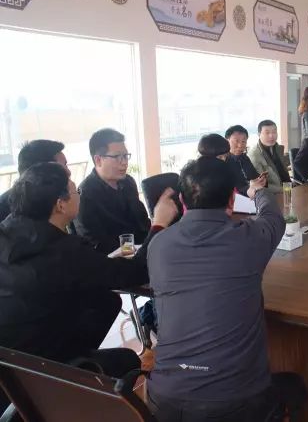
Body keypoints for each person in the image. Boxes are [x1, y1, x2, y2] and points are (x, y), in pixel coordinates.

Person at [146, 156, 306, 422]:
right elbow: (273, 216)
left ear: (182, 202)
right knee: (295, 386)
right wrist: (258, 192)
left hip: (164, 401)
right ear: (232, 200)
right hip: (236, 404)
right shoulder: (249, 238)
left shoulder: (158, 245)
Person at [0, 162, 177, 377]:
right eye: (76, 191)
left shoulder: (7, 231)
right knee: (128, 359)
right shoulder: (63, 251)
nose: (79, 196)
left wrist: (100, 265)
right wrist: (159, 224)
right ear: (60, 205)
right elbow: (136, 272)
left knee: (104, 300)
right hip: (37, 370)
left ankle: (79, 356)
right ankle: (76, 369)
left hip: (10, 358)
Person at [74, 128, 150, 255]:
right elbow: (93, 242)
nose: (124, 162)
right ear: (98, 160)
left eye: (125, 156)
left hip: (140, 252)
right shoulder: (85, 195)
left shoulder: (128, 182)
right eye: (117, 157)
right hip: (112, 259)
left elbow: (142, 222)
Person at [0, 140, 70, 222]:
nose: (69, 172)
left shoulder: (57, 197)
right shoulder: (6, 210)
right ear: (40, 170)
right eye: (63, 166)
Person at [248, 120, 291, 192]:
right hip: (275, 193)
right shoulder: (254, 155)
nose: (271, 136)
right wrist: (284, 190)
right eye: (267, 133)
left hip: (288, 187)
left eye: (274, 132)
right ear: (259, 134)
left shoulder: (277, 148)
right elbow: (260, 184)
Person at [224, 125, 267, 196]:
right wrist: (250, 188)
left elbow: (254, 176)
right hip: (237, 199)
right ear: (227, 141)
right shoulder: (223, 161)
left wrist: (261, 180)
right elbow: (231, 188)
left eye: (243, 141)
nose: (240, 145)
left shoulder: (244, 157)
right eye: (236, 141)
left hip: (255, 194)